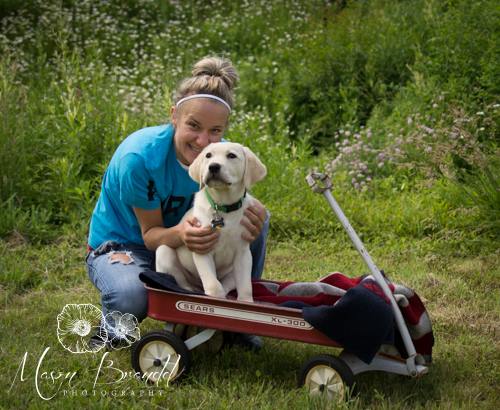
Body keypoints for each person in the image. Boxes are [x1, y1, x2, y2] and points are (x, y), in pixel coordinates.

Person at [85, 56, 269, 350]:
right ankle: (113, 328)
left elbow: (235, 204)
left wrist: (256, 216)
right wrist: (183, 234)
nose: (203, 141)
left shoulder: (217, 158)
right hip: (126, 245)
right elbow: (150, 236)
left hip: (185, 248)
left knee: (256, 216)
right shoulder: (140, 158)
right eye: (193, 126)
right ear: (174, 116)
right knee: (131, 297)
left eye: (215, 131)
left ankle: (237, 317)